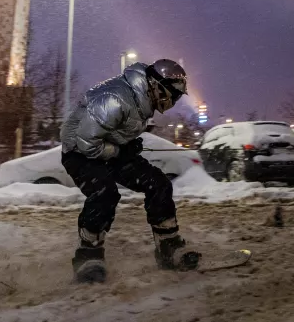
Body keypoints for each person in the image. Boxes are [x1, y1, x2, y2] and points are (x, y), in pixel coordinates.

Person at [60, 59, 201, 283]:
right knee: (104, 194)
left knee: (158, 183)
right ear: (157, 85)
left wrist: (125, 145)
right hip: (79, 153)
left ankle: (169, 248)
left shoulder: (142, 100)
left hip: (106, 149)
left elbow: (114, 134)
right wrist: (120, 151)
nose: (173, 101)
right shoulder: (116, 99)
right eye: (172, 95)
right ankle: (88, 257)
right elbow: (86, 142)